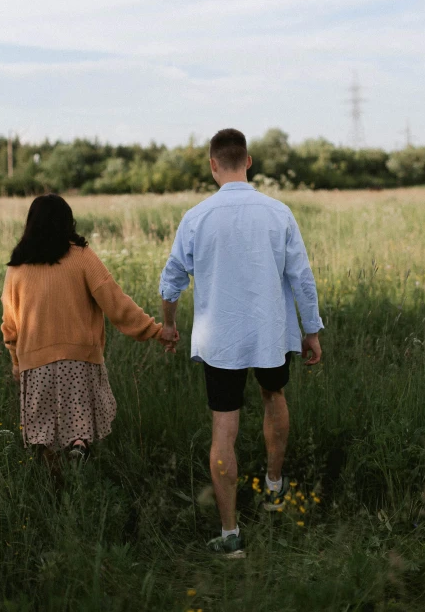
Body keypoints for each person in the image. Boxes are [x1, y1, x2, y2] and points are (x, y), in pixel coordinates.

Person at [159, 128, 323, 557]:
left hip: (221, 340)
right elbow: (301, 278)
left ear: (213, 165)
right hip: (270, 333)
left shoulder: (197, 217)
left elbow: (171, 280)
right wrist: (311, 330)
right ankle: (273, 489)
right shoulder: (278, 212)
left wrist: (169, 326)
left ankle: (230, 535)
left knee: (223, 429)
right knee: (274, 395)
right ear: (248, 161)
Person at [1, 194, 171, 467]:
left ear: (30, 224)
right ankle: (79, 447)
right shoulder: (82, 257)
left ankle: (56, 493)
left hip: (35, 364)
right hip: (78, 362)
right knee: (79, 425)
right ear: (68, 222)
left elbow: (10, 327)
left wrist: (16, 363)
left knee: (45, 437)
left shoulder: (17, 267)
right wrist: (154, 330)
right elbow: (115, 302)